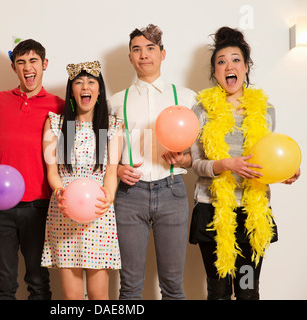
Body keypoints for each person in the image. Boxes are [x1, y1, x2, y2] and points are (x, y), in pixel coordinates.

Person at [189, 26, 301, 300]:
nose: (229, 66)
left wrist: (286, 172)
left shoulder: (266, 110)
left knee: (248, 289)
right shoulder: (201, 110)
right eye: (221, 61)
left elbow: (269, 157)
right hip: (213, 212)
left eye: (236, 59)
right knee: (218, 292)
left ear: (246, 66)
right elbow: (196, 164)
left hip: (252, 213)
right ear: (215, 71)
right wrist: (226, 164)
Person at [108, 24, 197, 300]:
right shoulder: (114, 102)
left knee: (172, 286)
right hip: (129, 196)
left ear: (163, 53)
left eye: (150, 48)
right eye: (137, 49)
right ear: (130, 57)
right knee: (130, 287)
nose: (143, 55)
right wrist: (119, 168)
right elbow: (106, 154)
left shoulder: (187, 97)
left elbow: (201, 154)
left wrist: (185, 158)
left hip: (172, 191)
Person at [0, 39, 64, 300]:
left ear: (44, 64)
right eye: (21, 62)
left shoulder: (61, 106)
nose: (28, 68)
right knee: (4, 284)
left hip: (40, 206)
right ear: (13, 67)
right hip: (0, 206)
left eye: (33, 61)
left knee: (38, 282)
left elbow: (76, 150)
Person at [41, 61, 122, 300]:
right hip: (64, 212)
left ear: (99, 90)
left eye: (91, 82)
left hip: (99, 214)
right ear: (71, 91)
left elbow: (111, 172)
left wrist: (108, 198)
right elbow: (53, 171)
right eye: (78, 82)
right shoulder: (56, 124)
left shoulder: (112, 126)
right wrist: (60, 192)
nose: (84, 86)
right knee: (72, 298)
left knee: (99, 296)